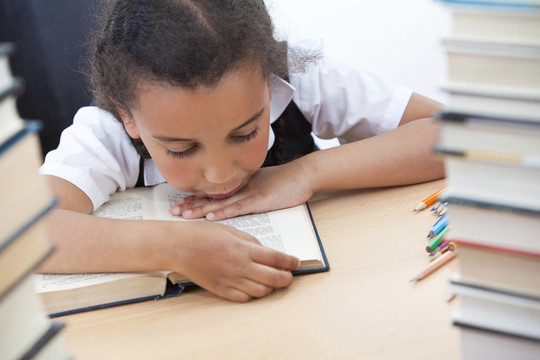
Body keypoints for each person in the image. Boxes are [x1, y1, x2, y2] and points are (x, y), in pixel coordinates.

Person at [39, 0, 444, 302]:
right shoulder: (106, 133)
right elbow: (18, 232)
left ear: (270, 84)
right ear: (128, 115)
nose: (219, 173)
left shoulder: (300, 78)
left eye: (246, 133)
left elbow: (462, 135)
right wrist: (175, 247)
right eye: (182, 149)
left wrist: (307, 172)